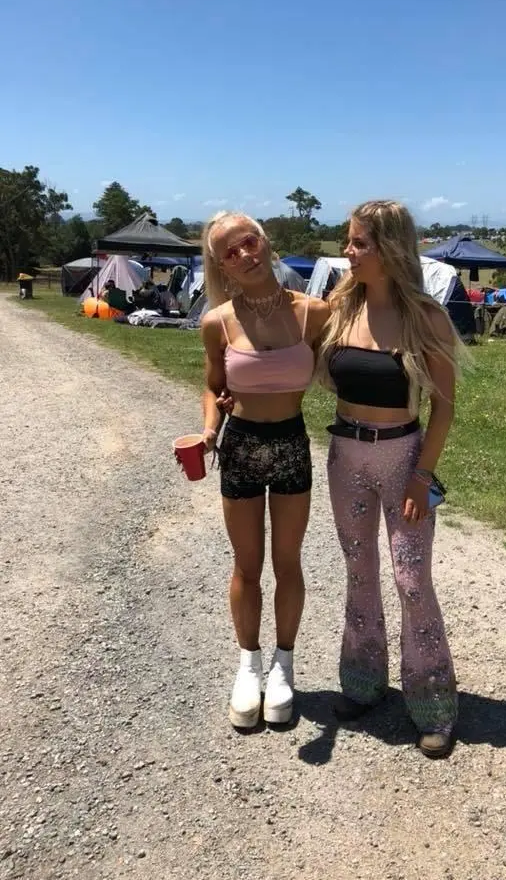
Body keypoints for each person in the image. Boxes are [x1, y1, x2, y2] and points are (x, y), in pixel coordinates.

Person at [316, 200, 464, 758]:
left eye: (359, 243)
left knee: (411, 581)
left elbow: (444, 407)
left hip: (403, 458)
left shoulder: (426, 318)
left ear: (391, 249)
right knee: (359, 572)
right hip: (345, 456)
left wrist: (422, 475)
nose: (348, 252)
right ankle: (362, 682)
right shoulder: (339, 308)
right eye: (349, 241)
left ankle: (433, 702)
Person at [200, 211, 329, 729]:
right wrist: (209, 428)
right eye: (229, 253)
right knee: (246, 566)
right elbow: (213, 385)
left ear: (265, 241)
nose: (244, 255)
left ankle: (284, 666)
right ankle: (248, 665)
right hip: (241, 447)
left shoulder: (313, 313)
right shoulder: (217, 322)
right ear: (222, 267)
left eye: (248, 242)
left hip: (291, 444)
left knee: (288, 562)